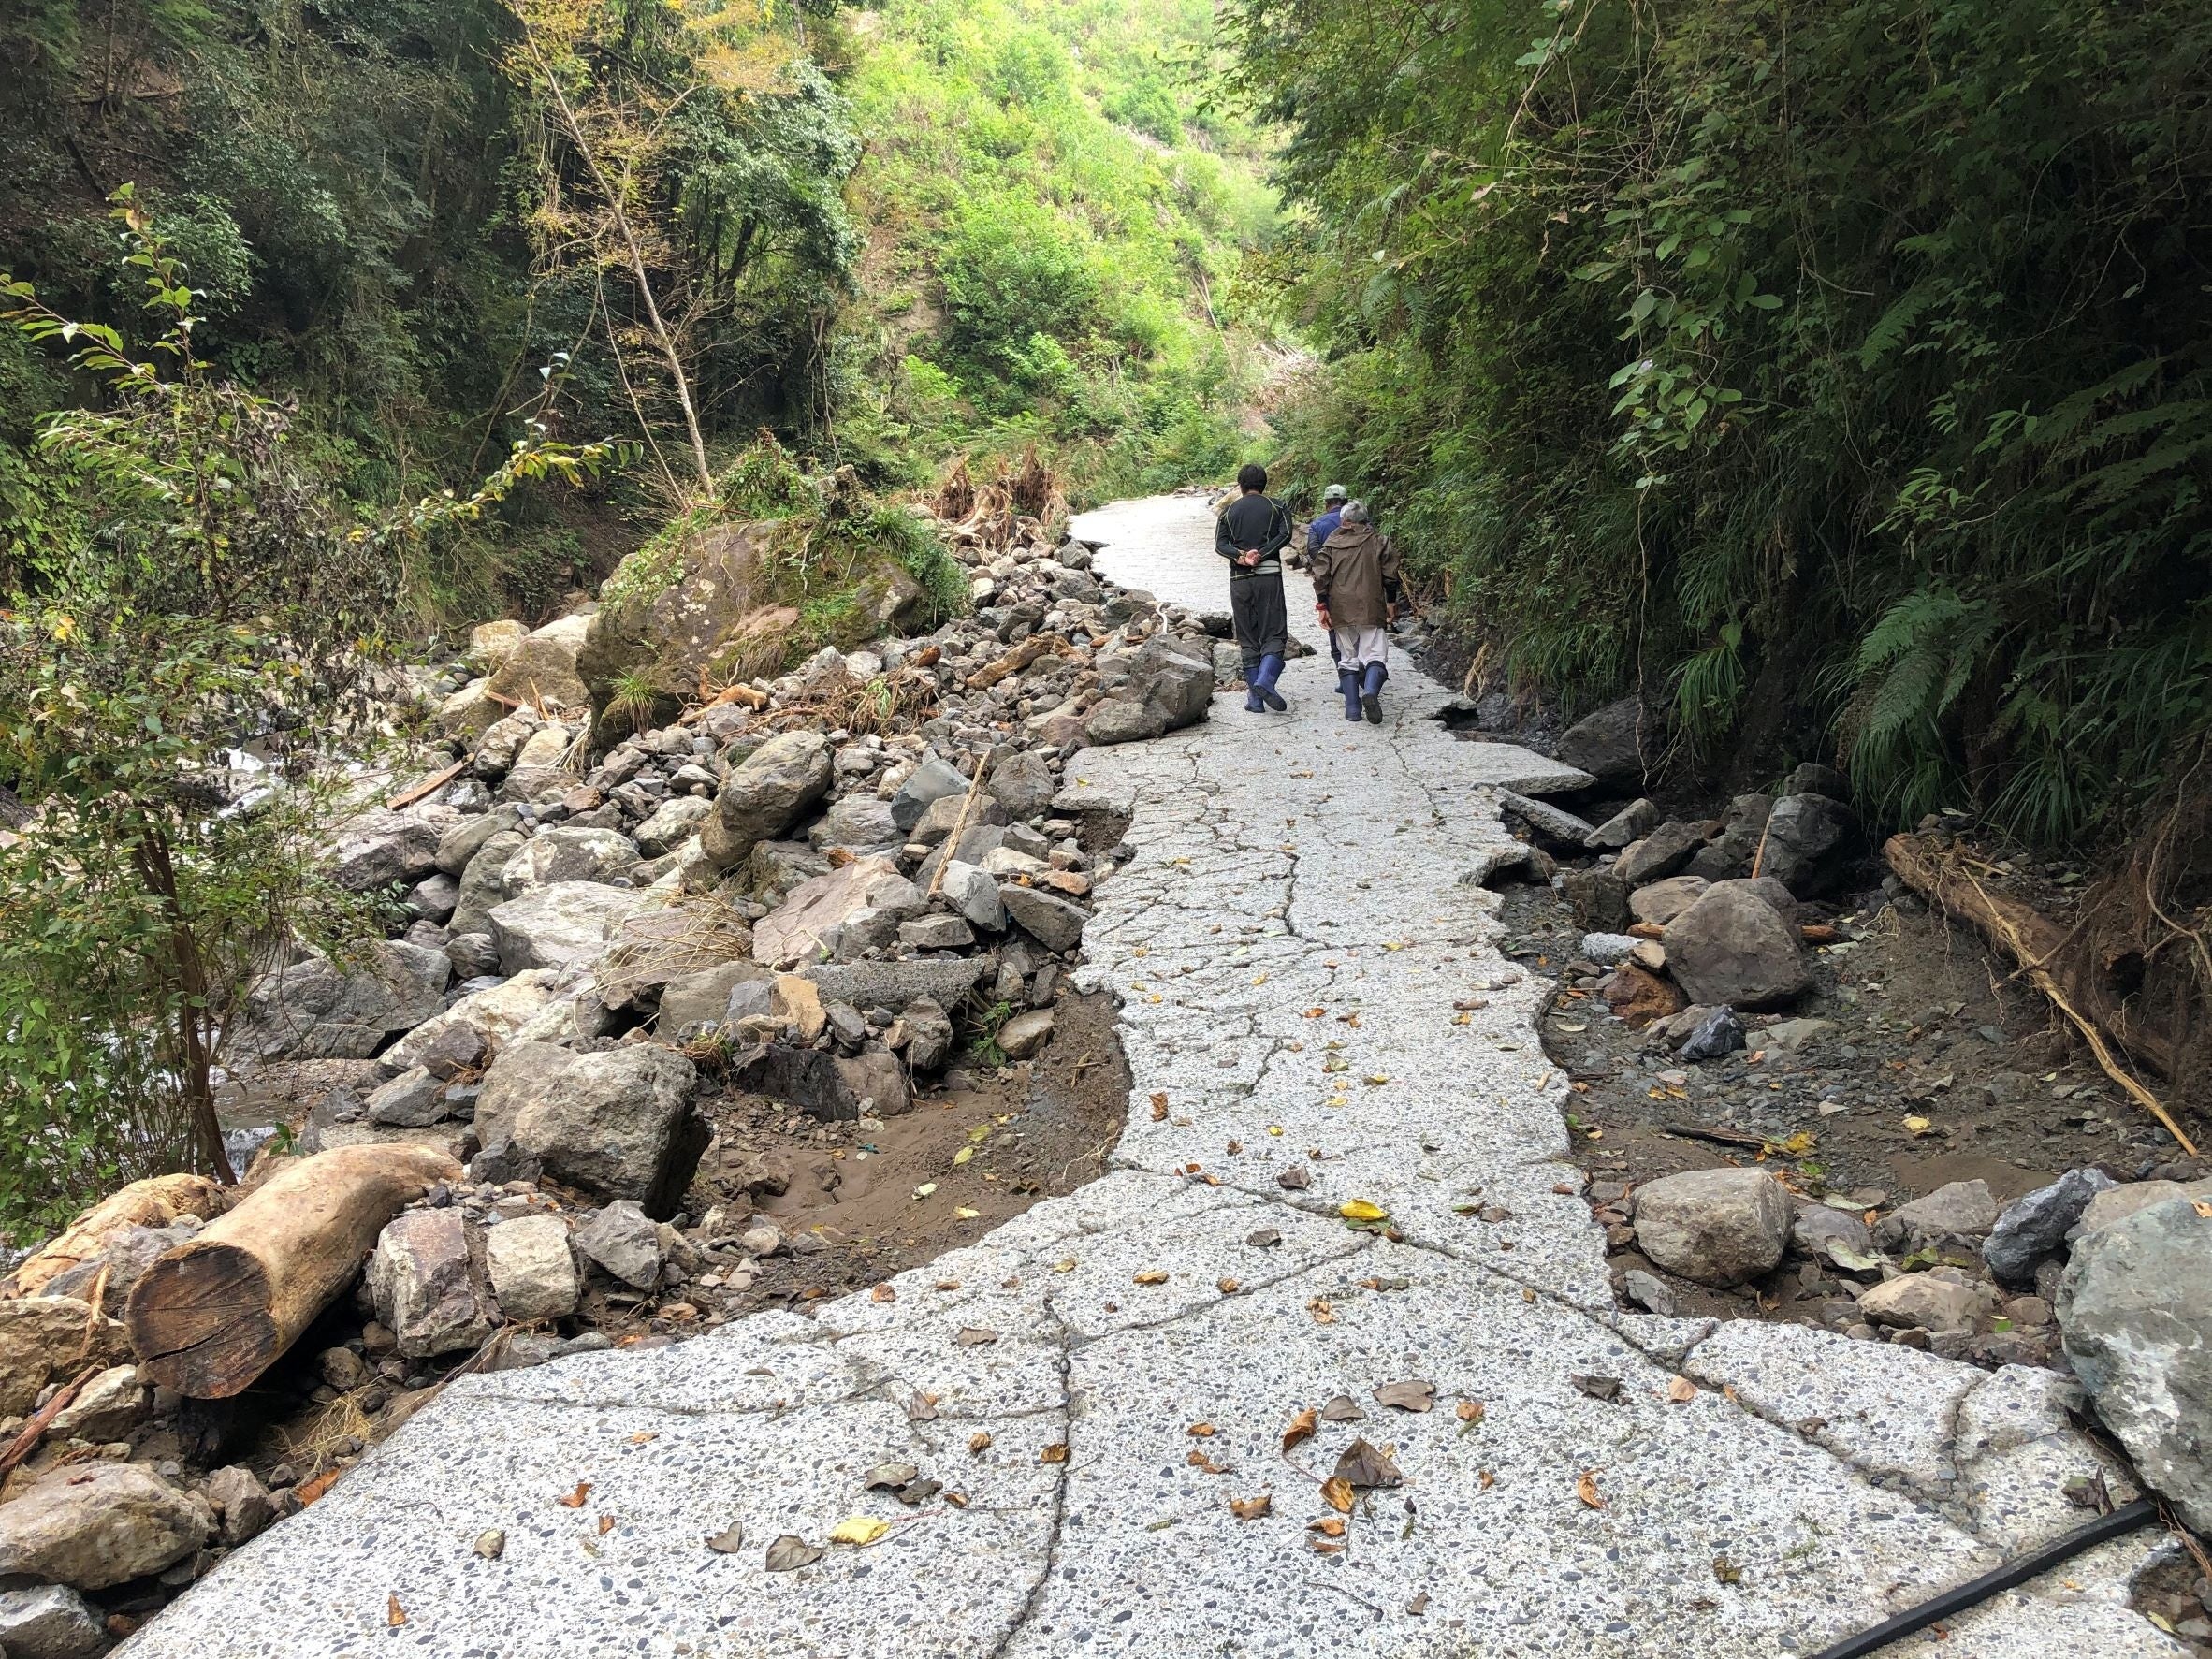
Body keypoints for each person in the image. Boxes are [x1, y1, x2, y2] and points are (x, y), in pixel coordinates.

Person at [1308, 501, 1403, 724]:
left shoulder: (1331, 543)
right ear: (1365, 520)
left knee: (1347, 657)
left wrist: (1322, 605)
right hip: (1371, 606)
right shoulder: (1379, 542)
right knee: (1375, 655)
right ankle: (1370, 690)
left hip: (1340, 607)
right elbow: (1390, 576)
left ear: (1344, 521)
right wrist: (1391, 602)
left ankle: (1352, 709)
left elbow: (1320, 576)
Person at [1215, 462, 1294, 712]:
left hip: (1239, 580)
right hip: (1269, 577)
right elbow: (1286, 534)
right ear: (1264, 484)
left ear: (1240, 485)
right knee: (1274, 632)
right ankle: (1265, 681)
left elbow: (1219, 545)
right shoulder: (1277, 506)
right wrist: (1262, 553)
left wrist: (1241, 555)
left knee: (1248, 636)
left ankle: (1255, 700)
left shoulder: (1228, 512)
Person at [1304, 485, 1347, 567]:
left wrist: (1325, 567)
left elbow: (1312, 549)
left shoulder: (1317, 524)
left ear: (1326, 504)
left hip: (1330, 572)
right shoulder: (1359, 520)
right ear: (1346, 502)